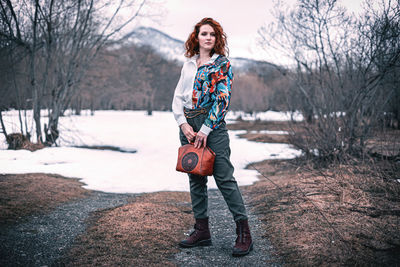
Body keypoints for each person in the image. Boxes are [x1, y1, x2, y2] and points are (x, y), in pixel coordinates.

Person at [172, 17, 253, 257]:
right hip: (188, 125)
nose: (208, 37)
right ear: (196, 37)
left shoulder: (222, 64)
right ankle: (202, 231)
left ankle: (244, 233)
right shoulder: (188, 64)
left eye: (212, 34)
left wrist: (206, 129)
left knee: (224, 178)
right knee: (195, 176)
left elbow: (223, 100)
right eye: (204, 33)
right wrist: (183, 124)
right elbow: (178, 97)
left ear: (217, 39)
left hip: (212, 127)